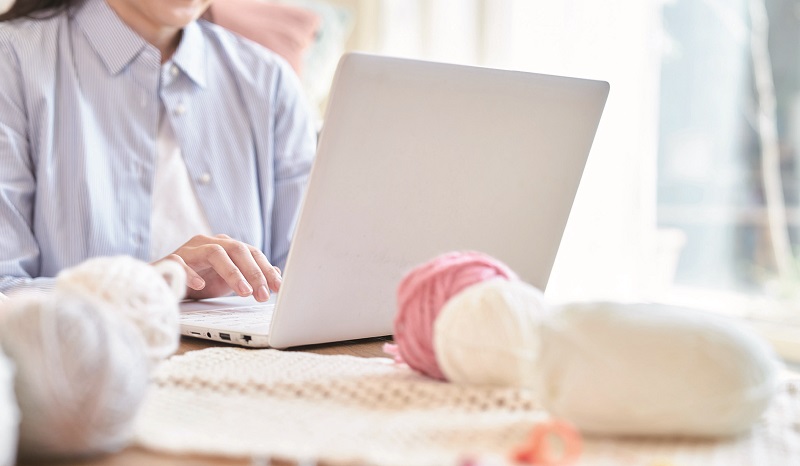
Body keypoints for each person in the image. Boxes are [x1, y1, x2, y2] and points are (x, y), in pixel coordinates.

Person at [0, 0, 318, 302]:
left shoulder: (270, 81)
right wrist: (143, 286)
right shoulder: (12, 59)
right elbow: (5, 287)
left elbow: (305, 284)